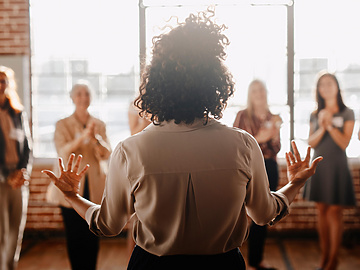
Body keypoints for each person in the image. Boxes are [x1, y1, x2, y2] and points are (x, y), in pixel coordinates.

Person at [42, 11, 322, 270]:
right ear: (216, 83)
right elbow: (264, 214)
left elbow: (108, 225)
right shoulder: (243, 145)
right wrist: (295, 182)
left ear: (153, 84)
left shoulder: (130, 150)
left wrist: (72, 196)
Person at [46, 82, 111, 270]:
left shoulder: (99, 124)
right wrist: (82, 137)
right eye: (79, 94)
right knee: (74, 235)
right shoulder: (62, 124)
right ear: (72, 98)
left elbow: (107, 154)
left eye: (87, 94)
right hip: (70, 186)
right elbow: (63, 151)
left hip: (95, 186)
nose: (84, 97)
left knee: (93, 232)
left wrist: (96, 139)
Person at [304, 72, 356, 270]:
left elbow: (344, 143)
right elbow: (311, 142)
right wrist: (323, 127)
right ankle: (324, 258)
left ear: (336, 86)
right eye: (321, 84)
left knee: (335, 212)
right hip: (320, 166)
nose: (325, 87)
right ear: (318, 90)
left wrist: (330, 125)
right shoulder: (315, 114)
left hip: (338, 166)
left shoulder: (347, 112)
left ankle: (334, 260)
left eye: (329, 83)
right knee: (322, 211)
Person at [233, 79, 282, 270]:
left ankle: (256, 260)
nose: (259, 94)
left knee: (263, 214)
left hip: (269, 166)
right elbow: (237, 144)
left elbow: (276, 147)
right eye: (255, 91)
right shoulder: (242, 116)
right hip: (246, 167)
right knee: (238, 213)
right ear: (249, 95)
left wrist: (273, 136)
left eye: (261, 90)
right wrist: (261, 138)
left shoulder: (273, 117)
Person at [0, 66, 32, 270]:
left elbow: (27, 145)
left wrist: (22, 172)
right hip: (1, 180)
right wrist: (6, 176)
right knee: (1, 233)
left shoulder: (17, 113)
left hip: (18, 179)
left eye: (4, 81)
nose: (1, 85)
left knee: (16, 230)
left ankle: (10, 267)